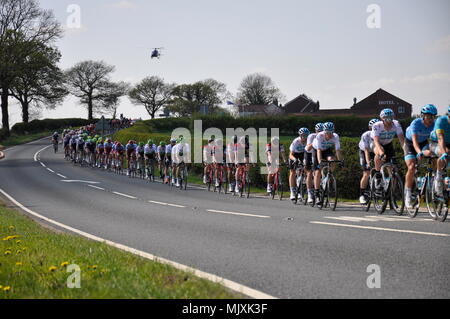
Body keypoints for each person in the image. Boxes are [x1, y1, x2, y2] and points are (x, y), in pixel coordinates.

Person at [404, 104, 437, 208]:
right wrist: (419, 152)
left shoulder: (434, 124)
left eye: (432, 116)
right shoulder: (416, 123)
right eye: (428, 116)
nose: (430, 119)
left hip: (423, 143)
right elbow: (414, 141)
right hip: (410, 144)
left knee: (433, 155)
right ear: (423, 116)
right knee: (411, 167)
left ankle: (434, 178)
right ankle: (408, 194)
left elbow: (435, 139)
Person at [371, 108, 405, 190]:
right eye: (387, 118)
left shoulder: (396, 124)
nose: (389, 120)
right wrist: (381, 153)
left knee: (394, 169)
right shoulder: (377, 126)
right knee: (380, 152)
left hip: (388, 144)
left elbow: (402, 141)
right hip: (377, 144)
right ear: (382, 119)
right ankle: (378, 175)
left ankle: (391, 192)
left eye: (391, 118)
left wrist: (406, 152)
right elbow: (376, 141)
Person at [312, 122, 344, 205]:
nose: (329, 135)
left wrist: (340, 161)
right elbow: (319, 151)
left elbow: (337, 150)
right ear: (324, 132)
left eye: (331, 133)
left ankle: (329, 175)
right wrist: (320, 162)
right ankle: (317, 193)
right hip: (316, 150)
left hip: (326, 149)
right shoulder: (319, 135)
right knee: (318, 171)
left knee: (332, 160)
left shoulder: (335, 136)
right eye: (327, 133)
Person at [429, 106, 450, 198]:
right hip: (436, 142)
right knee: (445, 152)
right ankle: (438, 177)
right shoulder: (441, 121)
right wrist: (444, 152)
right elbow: (441, 138)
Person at [358, 119, 380, 204]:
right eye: (372, 128)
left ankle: (378, 184)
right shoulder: (366, 135)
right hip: (364, 152)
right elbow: (366, 151)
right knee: (366, 173)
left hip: (375, 151)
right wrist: (368, 162)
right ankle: (362, 194)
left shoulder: (380, 134)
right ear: (369, 128)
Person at [289, 128, 310, 201]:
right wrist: (294, 159)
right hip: (295, 155)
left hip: (303, 154)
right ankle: (292, 191)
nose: (304, 137)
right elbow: (290, 155)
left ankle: (301, 183)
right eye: (303, 135)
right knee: (292, 172)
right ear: (300, 135)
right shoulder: (296, 141)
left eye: (306, 135)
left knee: (307, 169)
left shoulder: (308, 141)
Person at [305, 123, 324, 204]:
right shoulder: (311, 136)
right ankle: (309, 194)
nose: (319, 133)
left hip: (319, 151)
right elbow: (309, 148)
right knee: (309, 172)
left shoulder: (324, 136)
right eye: (318, 131)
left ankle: (323, 183)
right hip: (309, 153)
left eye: (321, 131)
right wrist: (315, 141)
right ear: (315, 131)